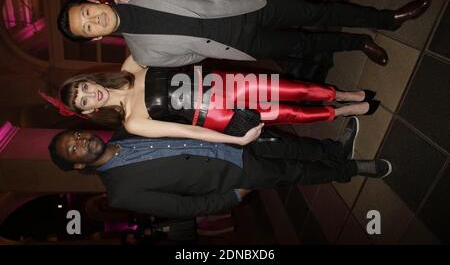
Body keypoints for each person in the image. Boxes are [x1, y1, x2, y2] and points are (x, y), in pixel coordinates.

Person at [57, 0, 431, 68]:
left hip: (243, 5)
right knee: (304, 44)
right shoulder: (144, 56)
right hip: (239, 44)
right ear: (93, 38)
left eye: (87, 12)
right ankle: (359, 42)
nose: (94, 20)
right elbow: (193, 57)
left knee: (316, 11)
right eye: (87, 27)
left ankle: (387, 18)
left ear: (94, 1)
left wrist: (215, 0)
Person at [48, 118, 392, 218]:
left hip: (231, 140)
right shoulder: (121, 193)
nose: (81, 141)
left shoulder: (128, 129)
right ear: (78, 164)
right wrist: (232, 197)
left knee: (291, 144)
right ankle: (351, 169)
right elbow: (181, 207)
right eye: (73, 148)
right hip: (235, 175)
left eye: (76, 134)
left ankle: (336, 149)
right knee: (294, 171)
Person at [48, 59, 380, 145]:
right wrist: (234, 138)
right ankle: (343, 112)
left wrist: (125, 3)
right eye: (83, 101)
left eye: (84, 88)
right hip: (219, 114)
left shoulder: (129, 68)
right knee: (290, 113)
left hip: (227, 83)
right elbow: (190, 134)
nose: (90, 95)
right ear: (89, 110)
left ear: (89, 81)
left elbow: (147, 33)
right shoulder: (132, 121)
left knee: (296, 89)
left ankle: (344, 96)